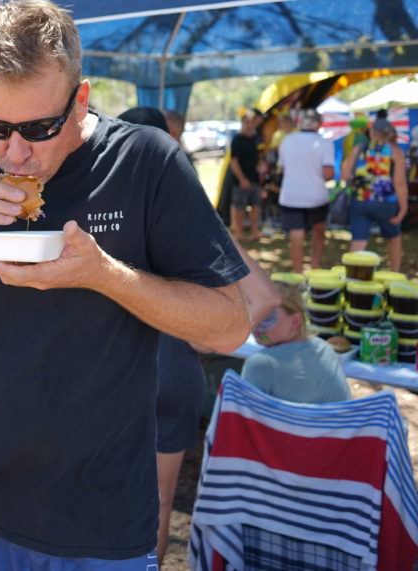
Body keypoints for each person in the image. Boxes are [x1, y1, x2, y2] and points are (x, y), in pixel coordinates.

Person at [0, 0, 251, 567]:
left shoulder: (145, 162)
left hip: (107, 515)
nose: (15, 151)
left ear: (81, 99)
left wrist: (105, 275)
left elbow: (230, 325)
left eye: (40, 127)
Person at [120, 106, 281, 566]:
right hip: (172, 374)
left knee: (95, 499)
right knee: (160, 501)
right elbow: (267, 297)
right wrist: (208, 337)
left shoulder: (97, 210)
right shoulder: (185, 211)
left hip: (113, 376)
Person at [243, 281, 351, 403]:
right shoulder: (323, 348)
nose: (256, 323)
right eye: (255, 313)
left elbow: (243, 417)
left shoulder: (261, 363)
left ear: (295, 320)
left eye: (267, 317)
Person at [341, 118, 408, 271]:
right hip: (386, 203)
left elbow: (344, 175)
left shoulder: (359, 148)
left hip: (359, 202)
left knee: (358, 243)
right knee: (393, 239)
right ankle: (395, 274)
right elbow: (399, 183)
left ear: (372, 133)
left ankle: (351, 278)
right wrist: (403, 209)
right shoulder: (395, 152)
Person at [277, 109, 334, 273]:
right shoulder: (324, 143)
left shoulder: (287, 140)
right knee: (319, 231)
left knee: (296, 234)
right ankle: (315, 267)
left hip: (291, 195)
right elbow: (328, 173)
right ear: (319, 124)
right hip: (316, 196)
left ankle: (298, 272)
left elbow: (283, 168)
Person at [229, 112, 264, 241]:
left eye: (252, 122)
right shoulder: (237, 139)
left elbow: (258, 156)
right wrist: (242, 178)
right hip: (241, 180)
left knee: (256, 205)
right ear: (243, 123)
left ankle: (255, 232)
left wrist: (261, 164)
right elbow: (234, 161)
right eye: (247, 122)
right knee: (240, 207)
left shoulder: (255, 138)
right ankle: (239, 233)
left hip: (255, 178)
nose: (250, 125)